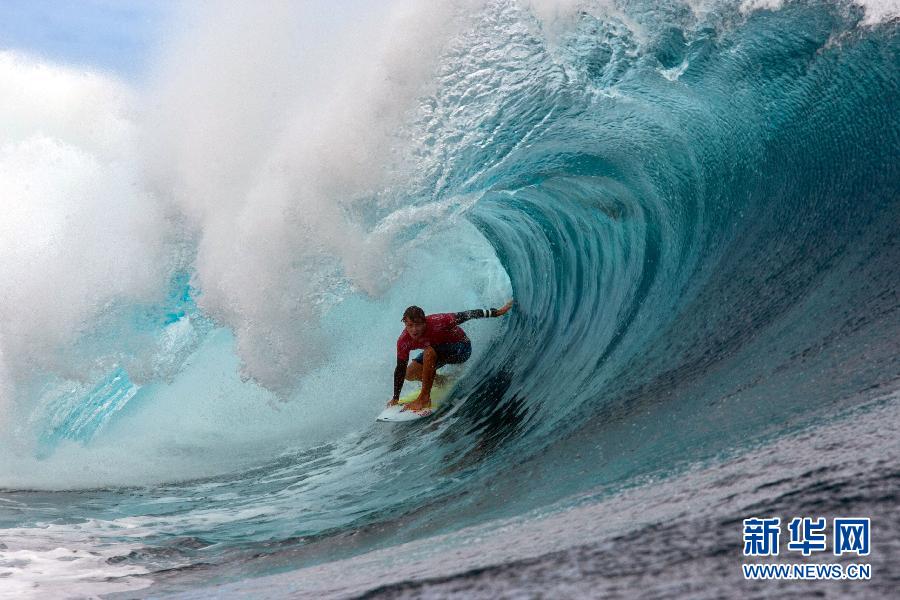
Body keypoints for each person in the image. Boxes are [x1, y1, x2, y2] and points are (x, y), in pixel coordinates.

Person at [389, 300, 514, 414]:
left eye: (417, 325)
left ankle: (424, 398)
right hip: (436, 352)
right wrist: (396, 398)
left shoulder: (439, 321)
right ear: (405, 323)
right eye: (410, 325)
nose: (414, 330)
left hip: (461, 348)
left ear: (424, 321)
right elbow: (400, 368)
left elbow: (467, 315)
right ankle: (443, 381)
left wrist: (496, 312)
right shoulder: (403, 341)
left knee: (429, 352)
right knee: (409, 373)